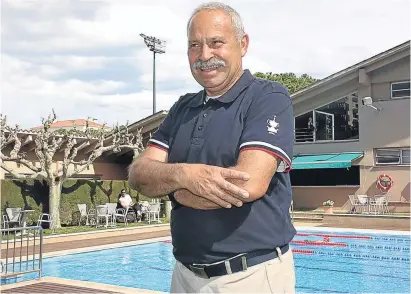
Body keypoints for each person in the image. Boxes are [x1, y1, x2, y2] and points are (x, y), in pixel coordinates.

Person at [128, 2, 296, 293]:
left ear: (242, 44)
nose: (205, 55)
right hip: (184, 275)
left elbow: (248, 185)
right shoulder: (182, 108)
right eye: (195, 45)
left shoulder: (268, 97)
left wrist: (172, 190)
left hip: (249, 276)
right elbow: (138, 174)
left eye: (216, 42)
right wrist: (185, 177)